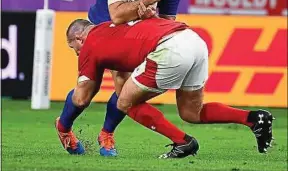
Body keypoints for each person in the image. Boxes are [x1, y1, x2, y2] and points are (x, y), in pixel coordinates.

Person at [55, 17, 274, 158]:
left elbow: (82, 98)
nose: (74, 51)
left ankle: (183, 142)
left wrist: (64, 123)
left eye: (71, 46)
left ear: (78, 38)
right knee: (192, 112)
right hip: (194, 40)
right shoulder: (115, 24)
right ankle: (253, 119)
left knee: (125, 100)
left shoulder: (89, 46)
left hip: (169, 48)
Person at [86, 0, 182, 156]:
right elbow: (117, 16)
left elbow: (165, 25)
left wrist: (149, 17)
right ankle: (65, 127)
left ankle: (106, 134)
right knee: (86, 92)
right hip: (102, 24)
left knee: (125, 86)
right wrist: (147, 1)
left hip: (133, 29)